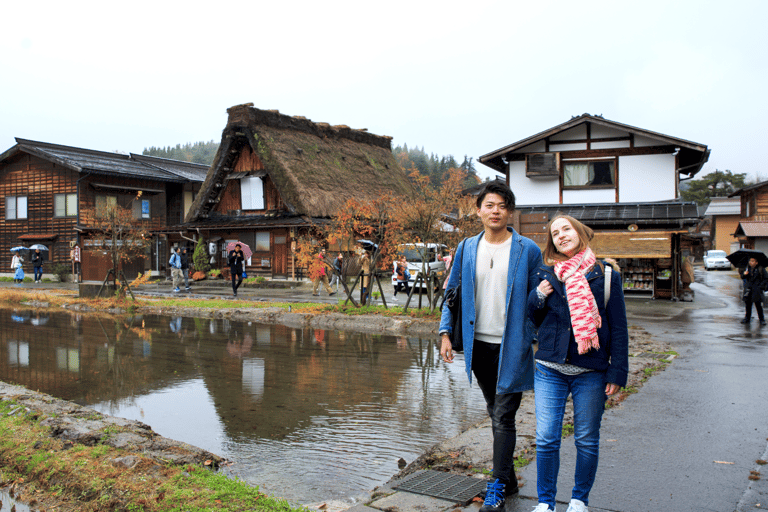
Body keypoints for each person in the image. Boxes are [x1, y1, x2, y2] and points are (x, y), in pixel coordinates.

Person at [439, 181, 543, 512]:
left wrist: (534, 337)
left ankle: (496, 487)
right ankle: (508, 478)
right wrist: (444, 333)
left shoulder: (528, 250)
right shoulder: (467, 247)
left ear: (509, 211)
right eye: (489, 205)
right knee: (494, 411)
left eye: (501, 205)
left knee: (502, 414)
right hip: (477, 345)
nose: (495, 210)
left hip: (513, 346)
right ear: (479, 210)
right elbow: (452, 294)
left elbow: (540, 299)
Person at [527, 215, 628, 512]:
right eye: (554, 233)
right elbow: (532, 317)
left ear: (579, 232)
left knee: (585, 439)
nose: (560, 235)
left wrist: (617, 370)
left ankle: (578, 500)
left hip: (591, 370)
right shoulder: (546, 273)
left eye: (565, 229)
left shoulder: (606, 274)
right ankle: (545, 502)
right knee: (546, 438)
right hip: (550, 368)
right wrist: (538, 296)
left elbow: (618, 327)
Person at [741, 257, 767, 325]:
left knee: (758, 305)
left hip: (757, 289)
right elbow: (742, 277)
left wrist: (760, 286)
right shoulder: (747, 268)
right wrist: (744, 274)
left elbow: (766, 278)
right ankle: (747, 318)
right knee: (748, 304)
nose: (750, 262)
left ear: (756, 262)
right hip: (748, 289)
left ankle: (762, 319)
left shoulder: (761, 269)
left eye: (752, 261)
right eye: (750, 261)